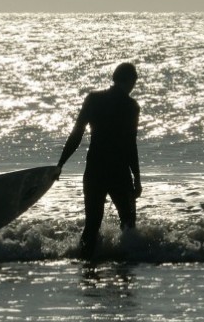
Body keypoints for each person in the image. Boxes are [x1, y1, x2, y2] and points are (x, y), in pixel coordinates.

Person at [57, 62, 142, 260]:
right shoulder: (131, 106)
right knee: (128, 223)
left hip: (95, 170)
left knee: (92, 224)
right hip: (119, 172)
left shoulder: (93, 99)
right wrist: (137, 178)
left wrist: (61, 163)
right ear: (131, 81)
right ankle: (125, 272)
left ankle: (87, 270)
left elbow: (76, 134)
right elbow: (131, 145)